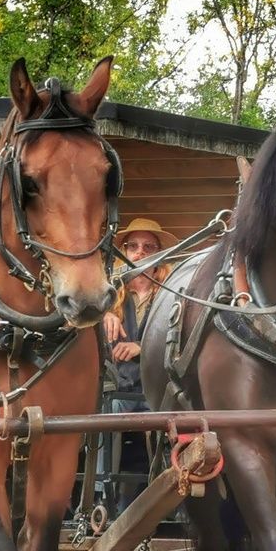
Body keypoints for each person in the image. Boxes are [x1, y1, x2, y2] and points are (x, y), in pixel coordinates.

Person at [98, 218, 177, 512]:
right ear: (124, 253)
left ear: (159, 254)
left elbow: (180, 341)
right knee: (105, 414)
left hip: (158, 391)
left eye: (148, 247)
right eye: (133, 247)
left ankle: (173, 499)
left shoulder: (172, 293)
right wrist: (103, 316)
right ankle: (100, 498)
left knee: (176, 420)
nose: (139, 253)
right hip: (119, 388)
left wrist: (141, 349)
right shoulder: (107, 293)